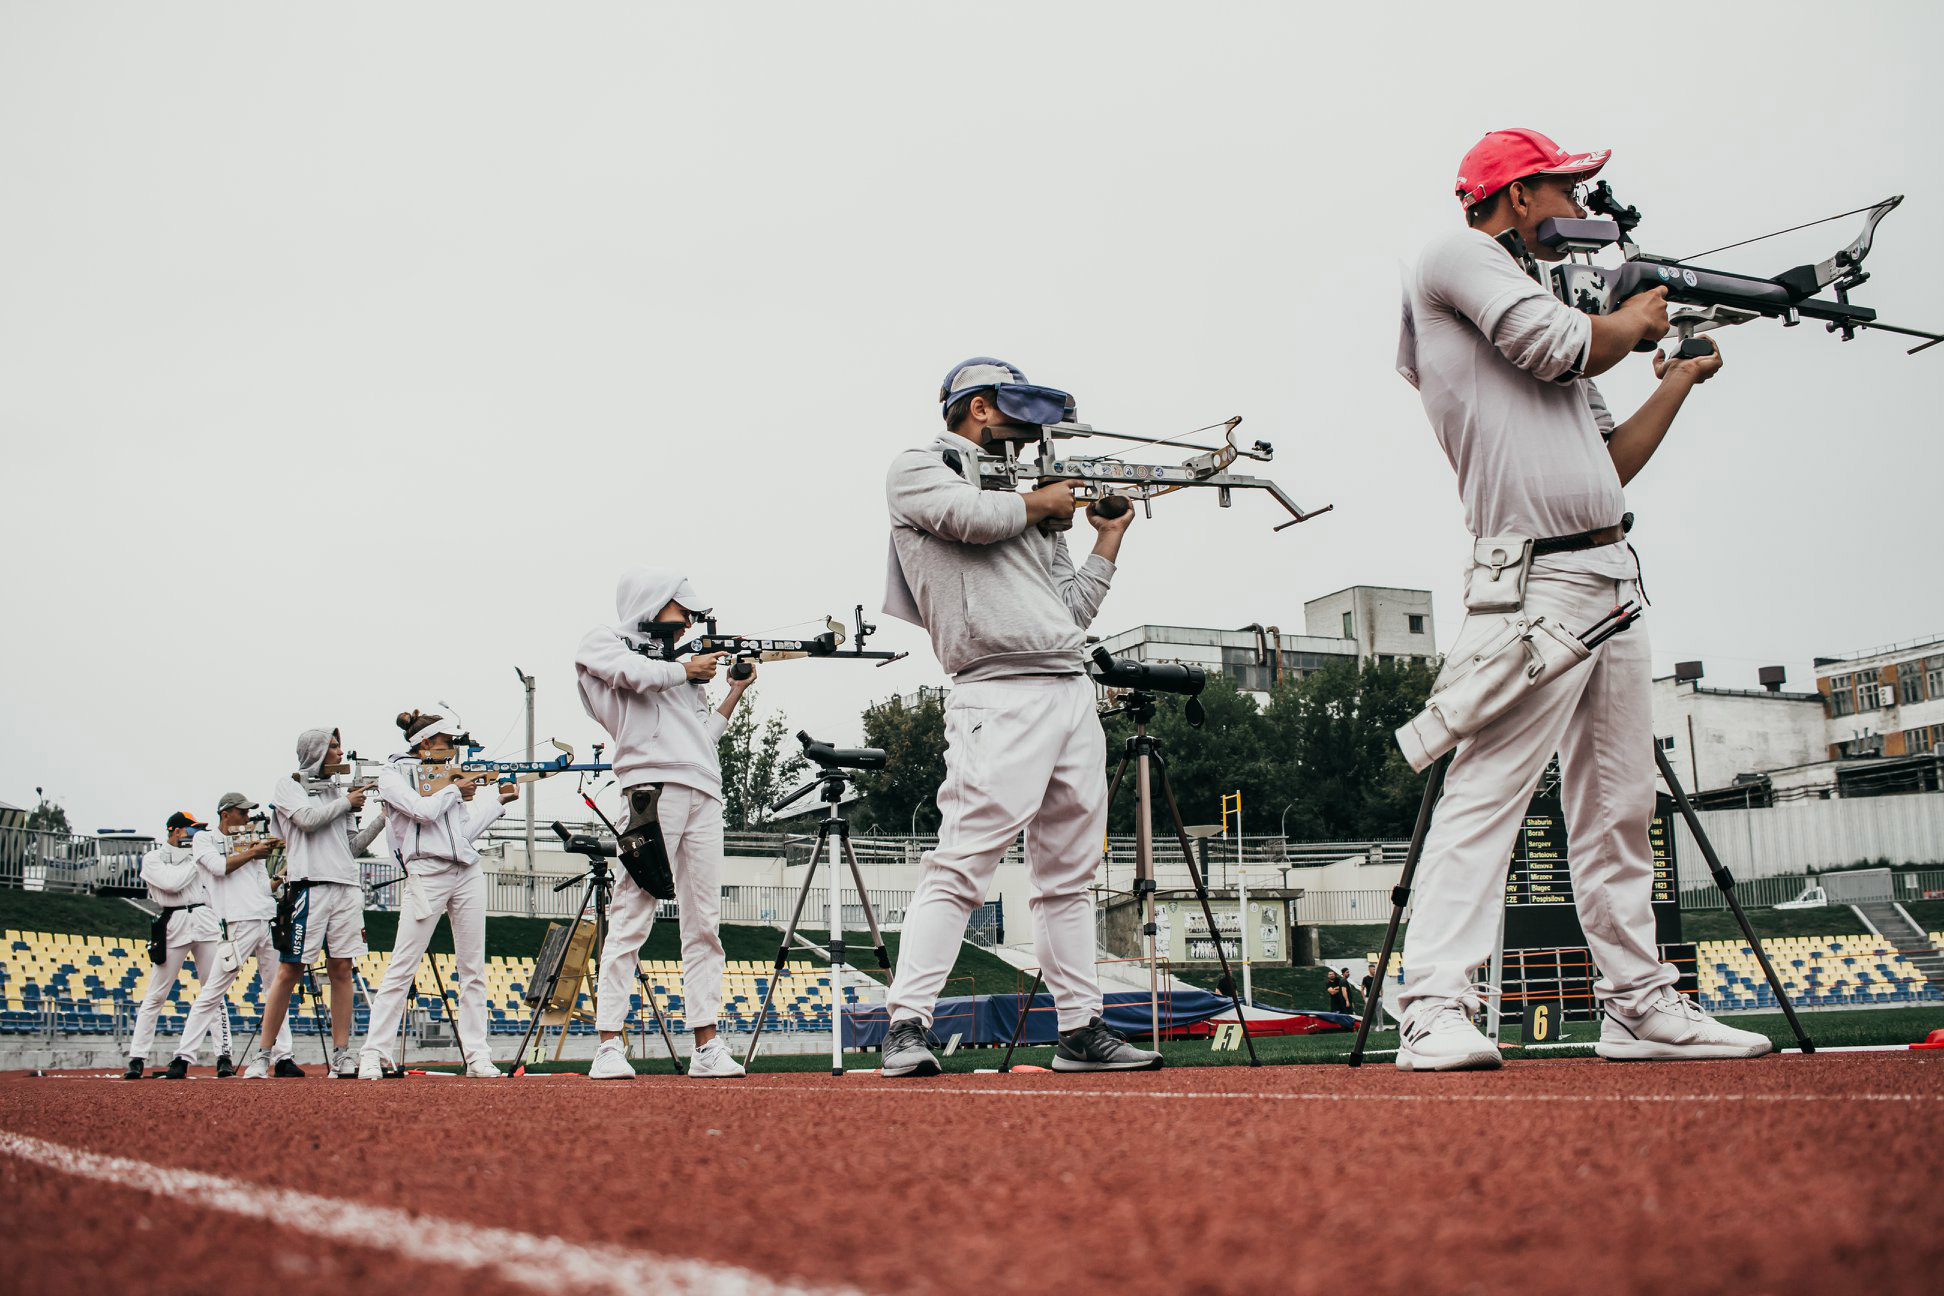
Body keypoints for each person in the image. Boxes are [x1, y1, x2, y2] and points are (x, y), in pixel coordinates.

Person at [1392, 128, 1767, 1070]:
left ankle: (1638, 1004)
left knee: (1618, 808)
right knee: (1488, 794)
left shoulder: (1536, 295)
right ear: (1518, 197)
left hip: (1606, 572)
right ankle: (1433, 1005)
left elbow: (1611, 463)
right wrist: (1634, 319)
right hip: (1535, 580)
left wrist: (1674, 375)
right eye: (1566, 188)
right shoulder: (1459, 257)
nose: (1582, 205)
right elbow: (1561, 346)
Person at [878, 357, 1160, 1076]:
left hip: (1068, 688)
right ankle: (906, 1024)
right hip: (995, 692)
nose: (1037, 434)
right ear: (978, 409)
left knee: (1068, 875)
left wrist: (1106, 537)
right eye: (1020, 416)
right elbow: (966, 520)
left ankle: (1080, 1028)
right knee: (963, 863)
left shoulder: (1028, 499)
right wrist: (1042, 504)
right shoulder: (921, 468)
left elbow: (1068, 606)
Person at [573, 570, 752, 1080]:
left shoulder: (676, 664)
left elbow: (700, 736)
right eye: (681, 608)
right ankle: (609, 1042)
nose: (690, 619)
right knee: (633, 912)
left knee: (705, 923)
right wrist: (687, 670)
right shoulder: (604, 643)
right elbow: (632, 676)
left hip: (702, 787)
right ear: (652, 604)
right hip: (653, 786)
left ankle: (707, 1045)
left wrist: (732, 692)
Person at [358, 710, 518, 1079]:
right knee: (402, 966)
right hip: (426, 872)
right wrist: (454, 790)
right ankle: (373, 1052)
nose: (453, 749)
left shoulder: (447, 778)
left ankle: (477, 1054)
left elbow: (463, 833)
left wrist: (498, 802)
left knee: (473, 969)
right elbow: (422, 811)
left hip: (465, 870)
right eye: (447, 742)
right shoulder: (392, 774)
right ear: (425, 743)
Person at [260, 727, 389, 1077]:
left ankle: (342, 1055)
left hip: (345, 886)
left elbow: (351, 846)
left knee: (342, 970)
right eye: (332, 746)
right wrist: (347, 802)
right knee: (290, 970)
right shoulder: (289, 785)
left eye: (339, 745)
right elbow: (306, 821)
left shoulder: (338, 790)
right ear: (314, 750)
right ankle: (264, 1054)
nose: (339, 751)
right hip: (308, 886)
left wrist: (382, 817)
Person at [187, 793, 295, 1077]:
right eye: (242, 813)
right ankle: (183, 1056)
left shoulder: (249, 844)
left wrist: (281, 872)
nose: (247, 819)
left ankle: (283, 1056)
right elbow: (218, 868)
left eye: (248, 815)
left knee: (276, 989)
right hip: (237, 919)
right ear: (225, 814)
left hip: (265, 917)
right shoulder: (205, 839)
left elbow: (263, 889)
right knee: (214, 989)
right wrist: (253, 853)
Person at [125, 812, 230, 1080]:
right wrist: (199, 858)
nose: (195, 836)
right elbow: (171, 884)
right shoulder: (153, 858)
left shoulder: (201, 857)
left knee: (213, 990)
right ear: (175, 831)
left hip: (205, 919)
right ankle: (137, 1057)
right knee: (157, 993)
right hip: (174, 921)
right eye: (190, 831)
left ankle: (224, 1055)